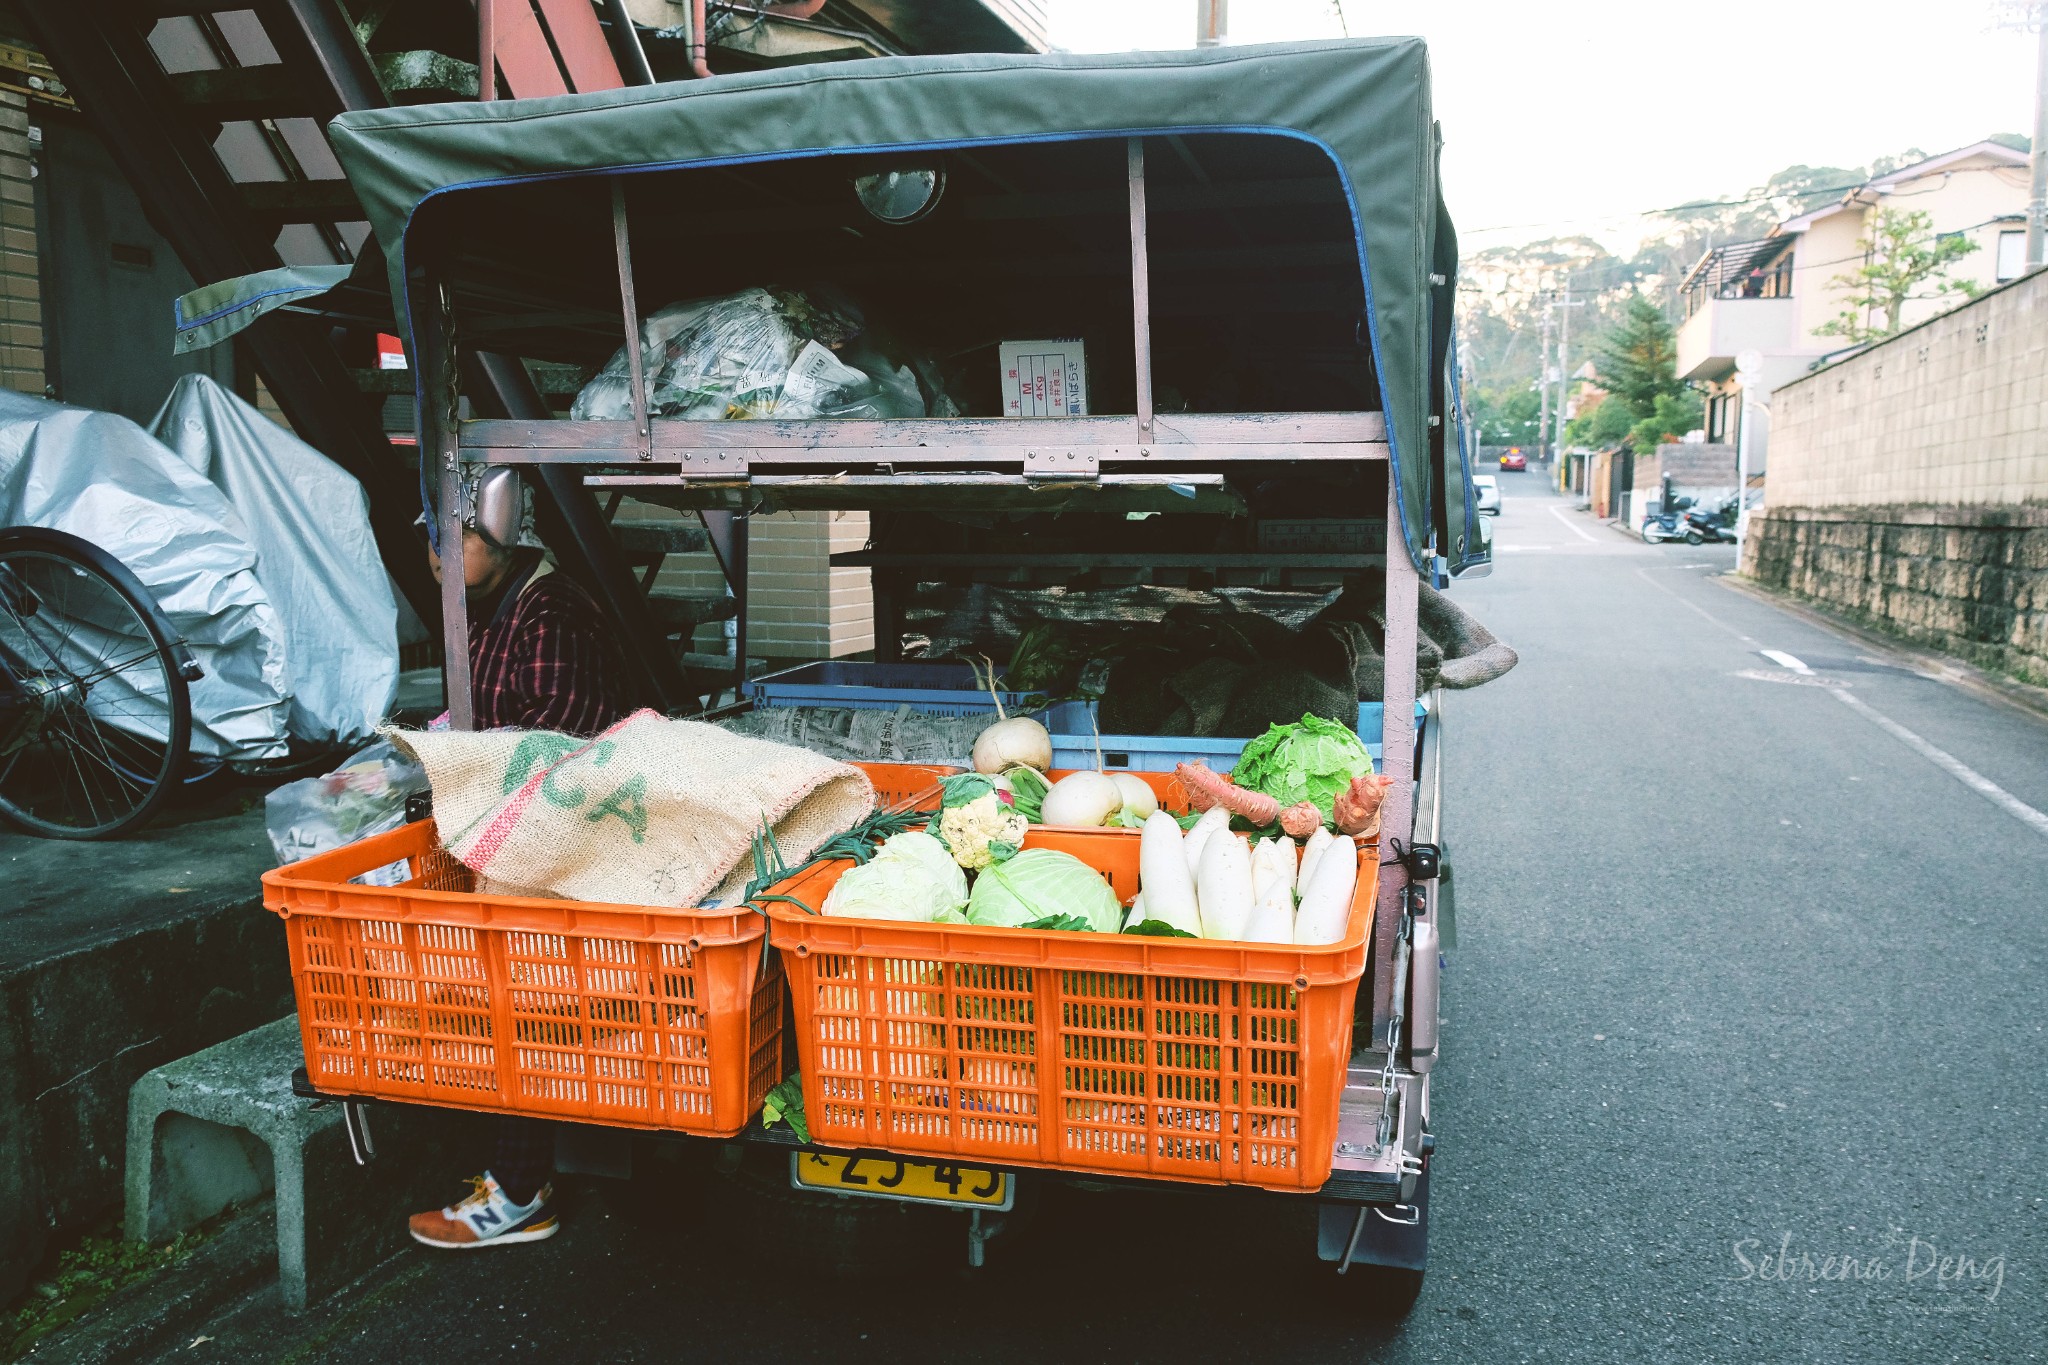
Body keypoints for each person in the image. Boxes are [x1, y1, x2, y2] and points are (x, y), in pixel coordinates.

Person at [406, 472, 633, 1250]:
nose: (440, 555)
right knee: (513, 1010)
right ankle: (515, 1181)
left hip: (558, 841)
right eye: (433, 537)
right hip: (513, 837)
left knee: (522, 1010)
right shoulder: (489, 605)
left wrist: (463, 768)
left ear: (501, 537)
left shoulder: (551, 608)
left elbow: (557, 744)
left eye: (458, 536)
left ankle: (518, 1192)